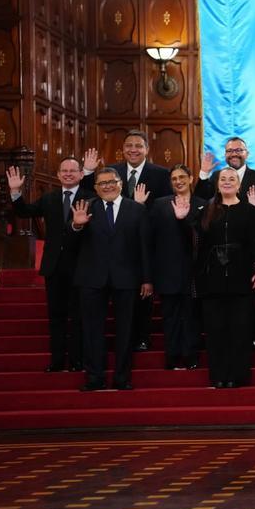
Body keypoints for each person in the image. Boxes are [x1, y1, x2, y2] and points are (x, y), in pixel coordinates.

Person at [173, 168, 255, 388]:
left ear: (238, 184)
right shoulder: (206, 209)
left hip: (242, 278)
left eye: (231, 179)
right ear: (217, 184)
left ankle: (238, 375)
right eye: (223, 179)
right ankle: (219, 376)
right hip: (212, 279)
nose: (227, 182)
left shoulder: (249, 211)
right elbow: (194, 238)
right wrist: (182, 220)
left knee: (240, 329)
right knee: (215, 330)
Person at [81, 130, 170, 353]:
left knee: (144, 293)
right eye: (129, 145)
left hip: (147, 241)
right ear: (123, 149)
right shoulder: (112, 171)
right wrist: (88, 172)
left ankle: (142, 336)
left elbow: (167, 207)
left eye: (138, 146)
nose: (133, 149)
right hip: (114, 245)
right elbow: (90, 195)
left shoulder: (160, 174)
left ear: (147, 149)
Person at [70, 167, 152, 391]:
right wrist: (77, 225)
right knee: (91, 330)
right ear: (95, 188)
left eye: (111, 182)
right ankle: (94, 378)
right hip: (91, 278)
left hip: (126, 278)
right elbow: (70, 245)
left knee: (125, 331)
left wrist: (147, 279)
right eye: (102, 183)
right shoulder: (85, 208)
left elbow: (144, 246)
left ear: (121, 183)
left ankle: (122, 378)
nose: (107, 186)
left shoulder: (137, 209)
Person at [7, 158, 91, 373]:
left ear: (81, 174)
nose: (69, 174)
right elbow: (24, 211)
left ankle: (76, 361)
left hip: (81, 266)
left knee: (79, 317)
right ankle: (56, 361)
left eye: (73, 170)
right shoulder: (49, 198)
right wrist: (16, 192)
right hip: (53, 267)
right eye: (64, 170)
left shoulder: (90, 197)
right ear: (58, 174)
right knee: (56, 316)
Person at [150, 164, 205, 370]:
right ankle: (172, 356)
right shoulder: (160, 204)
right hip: (167, 272)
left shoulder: (202, 204)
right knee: (170, 317)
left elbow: (203, 236)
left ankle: (191, 356)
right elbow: (151, 239)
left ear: (190, 179)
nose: (178, 181)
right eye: (174, 179)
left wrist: (184, 220)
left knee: (192, 317)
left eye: (182, 177)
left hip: (194, 273)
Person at [194, 137, 255, 203]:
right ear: (225, 155)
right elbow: (201, 200)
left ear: (247, 154)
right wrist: (204, 173)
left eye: (239, 150)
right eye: (229, 151)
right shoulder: (216, 176)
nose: (234, 154)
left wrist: (254, 209)